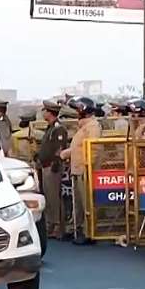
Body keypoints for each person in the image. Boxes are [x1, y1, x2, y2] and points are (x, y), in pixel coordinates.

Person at [59, 97, 101, 245]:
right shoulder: (84, 127)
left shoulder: (92, 127)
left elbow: (93, 149)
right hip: (78, 169)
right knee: (79, 203)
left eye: (78, 109)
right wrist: (67, 153)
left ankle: (89, 233)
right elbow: (79, 148)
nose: (76, 112)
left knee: (87, 203)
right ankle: (78, 230)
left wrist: (87, 166)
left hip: (85, 170)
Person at [36, 100, 69, 241]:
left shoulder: (58, 128)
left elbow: (60, 147)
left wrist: (56, 162)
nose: (43, 113)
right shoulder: (50, 128)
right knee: (49, 198)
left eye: (45, 111)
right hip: (45, 166)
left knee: (54, 198)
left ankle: (57, 226)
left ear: (50, 112)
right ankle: (51, 224)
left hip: (52, 167)